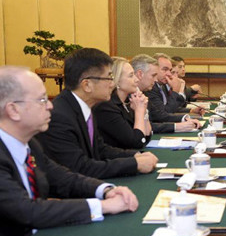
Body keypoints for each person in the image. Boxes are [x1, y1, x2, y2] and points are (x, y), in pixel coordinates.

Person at [0, 66, 138, 236]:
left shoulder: (29, 142)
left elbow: (62, 177)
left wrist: (105, 190)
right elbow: (28, 210)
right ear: (13, 110)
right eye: (42, 100)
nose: (50, 105)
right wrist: (103, 206)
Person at [37, 48, 158, 179]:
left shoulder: (85, 106)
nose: (112, 84)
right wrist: (134, 164)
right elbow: (80, 168)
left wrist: (135, 156)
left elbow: (100, 149)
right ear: (87, 85)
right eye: (109, 78)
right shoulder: (59, 116)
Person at [93, 57, 152, 149]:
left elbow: (146, 138)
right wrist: (139, 111)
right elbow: (137, 142)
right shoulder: (106, 107)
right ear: (117, 81)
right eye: (131, 75)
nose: (137, 79)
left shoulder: (128, 103)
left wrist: (144, 111)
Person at [130, 54, 200, 132]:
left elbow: (159, 115)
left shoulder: (146, 90)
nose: (170, 74)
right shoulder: (146, 91)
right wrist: (175, 91)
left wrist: (185, 118)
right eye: (164, 69)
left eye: (170, 70)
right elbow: (162, 115)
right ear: (140, 74)